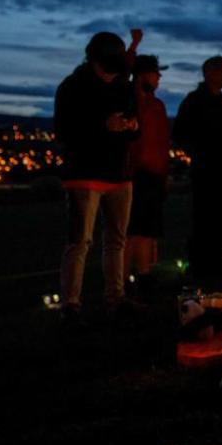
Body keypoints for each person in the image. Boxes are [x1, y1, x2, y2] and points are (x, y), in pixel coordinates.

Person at [54, 31, 139, 319]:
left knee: (116, 240)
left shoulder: (122, 87)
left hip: (118, 171)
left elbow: (133, 122)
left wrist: (131, 125)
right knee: (79, 241)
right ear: (96, 59)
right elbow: (64, 130)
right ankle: (71, 305)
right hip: (85, 172)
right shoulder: (73, 87)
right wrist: (104, 125)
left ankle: (116, 298)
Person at [172, 56, 222, 281]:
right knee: (204, 219)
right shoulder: (194, 102)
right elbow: (179, 133)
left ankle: (217, 263)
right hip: (205, 171)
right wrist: (199, 152)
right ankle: (201, 266)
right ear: (211, 73)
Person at [125, 53, 169, 302]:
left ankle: (144, 276)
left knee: (148, 229)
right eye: (155, 72)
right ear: (142, 75)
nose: (159, 76)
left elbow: (161, 142)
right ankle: (125, 282)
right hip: (135, 174)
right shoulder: (130, 102)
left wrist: (163, 174)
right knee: (133, 230)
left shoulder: (157, 106)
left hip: (153, 175)